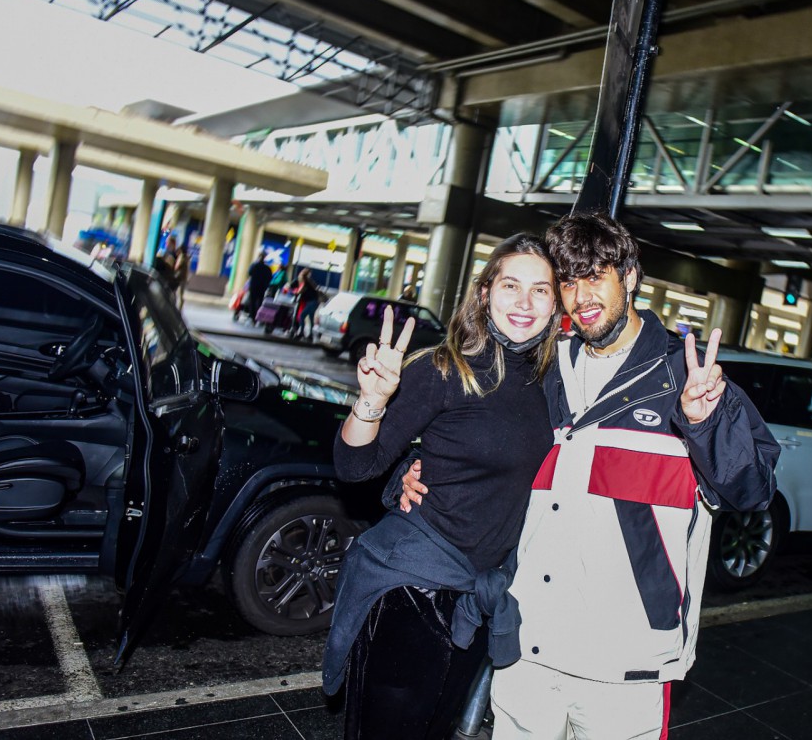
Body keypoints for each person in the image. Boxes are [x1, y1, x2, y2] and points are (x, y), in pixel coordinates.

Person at [403, 212, 780, 738]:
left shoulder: (685, 378)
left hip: (626, 664)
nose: (581, 297)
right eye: (568, 282)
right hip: (527, 648)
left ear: (631, 276)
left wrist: (706, 424)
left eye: (596, 277)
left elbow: (753, 489)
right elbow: (471, 443)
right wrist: (408, 471)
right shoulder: (543, 369)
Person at [323, 234, 562, 740]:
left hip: (476, 596)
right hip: (414, 591)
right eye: (511, 285)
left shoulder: (552, 383)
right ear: (485, 293)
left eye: (540, 290)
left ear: (554, 303)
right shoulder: (444, 368)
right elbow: (354, 465)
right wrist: (371, 403)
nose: (525, 302)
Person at [291, 268, 324, 340]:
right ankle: (310, 335)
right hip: (314, 301)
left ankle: (301, 333)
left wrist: (295, 292)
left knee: (302, 315)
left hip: (312, 302)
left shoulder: (304, 281)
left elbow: (299, 289)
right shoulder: (309, 281)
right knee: (311, 317)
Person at [245, 251, 273, 319]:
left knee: (252, 301)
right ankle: (258, 316)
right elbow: (270, 277)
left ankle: (252, 316)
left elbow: (249, 273)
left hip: (253, 286)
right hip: (262, 287)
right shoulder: (267, 268)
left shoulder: (254, 265)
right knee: (260, 301)